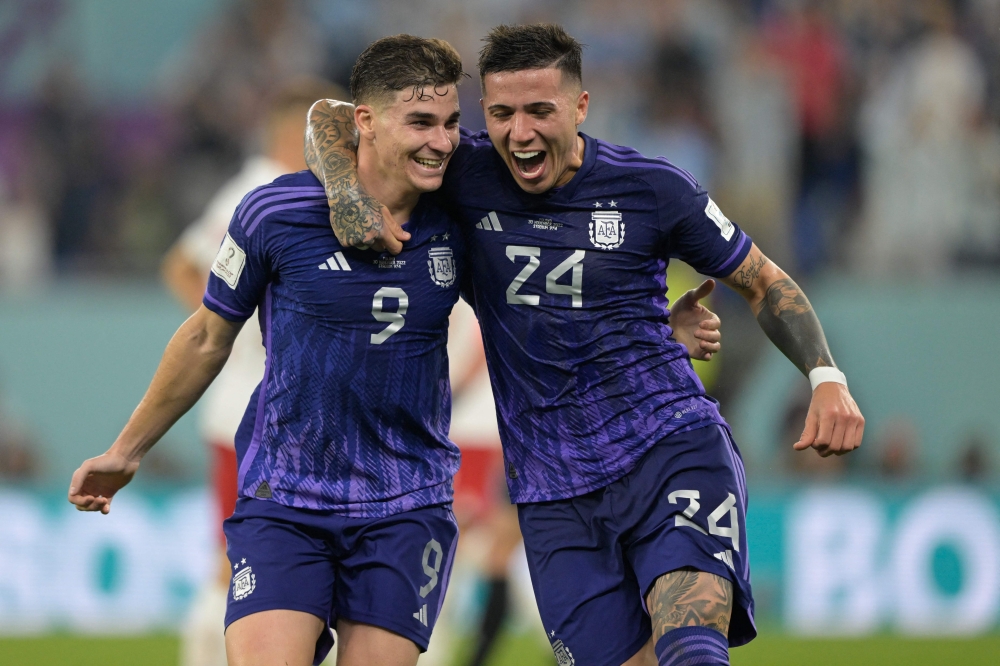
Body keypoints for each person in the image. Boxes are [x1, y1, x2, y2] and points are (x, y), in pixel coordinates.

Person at [68, 34, 721, 666]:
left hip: (406, 506)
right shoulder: (274, 213)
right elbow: (207, 336)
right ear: (366, 123)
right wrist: (127, 449)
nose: (442, 142)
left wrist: (652, 333)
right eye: (420, 123)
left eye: (450, 123)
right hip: (285, 496)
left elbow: (545, 306)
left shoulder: (463, 218)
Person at [305, 23, 864, 666]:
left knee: (691, 647)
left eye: (540, 111)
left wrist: (826, 377)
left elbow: (763, 282)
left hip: (667, 451)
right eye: (502, 114)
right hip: (552, 493)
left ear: (581, 106)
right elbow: (332, 116)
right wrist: (345, 195)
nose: (520, 133)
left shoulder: (653, 189)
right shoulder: (464, 172)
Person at [161, 78, 344, 666]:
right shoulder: (260, 190)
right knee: (238, 557)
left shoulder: (283, 191)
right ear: (302, 134)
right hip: (250, 407)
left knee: (262, 557)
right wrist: (229, 325)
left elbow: (184, 263)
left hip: (273, 409)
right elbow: (181, 266)